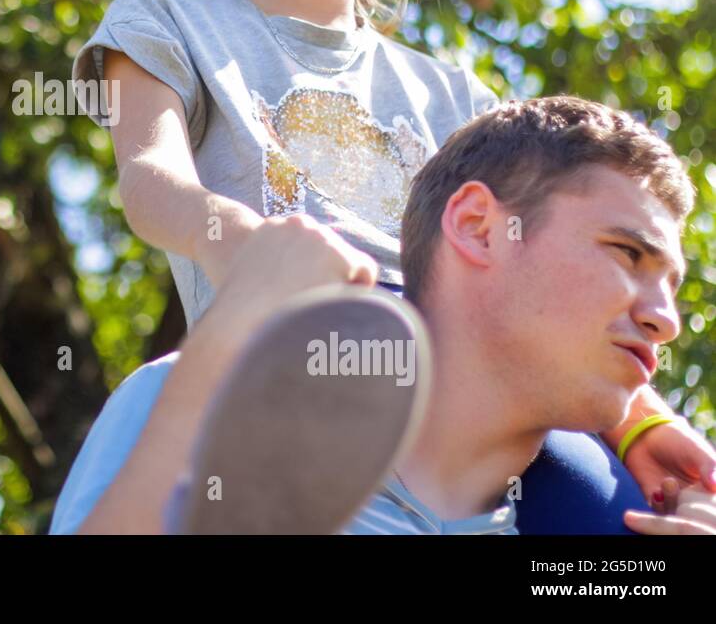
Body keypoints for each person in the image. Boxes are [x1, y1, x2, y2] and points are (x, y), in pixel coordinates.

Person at [67, 0, 716, 531]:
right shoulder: (170, 21)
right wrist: (250, 247)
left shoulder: (456, 93)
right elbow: (150, 182)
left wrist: (641, 420)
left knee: (638, 535)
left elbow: (541, 295)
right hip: (302, 372)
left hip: (475, 405)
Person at [58, 97, 708, 534]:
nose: (666, 320)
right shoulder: (190, 412)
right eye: (627, 252)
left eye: (673, 287)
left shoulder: (622, 531)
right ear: (481, 229)